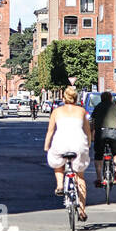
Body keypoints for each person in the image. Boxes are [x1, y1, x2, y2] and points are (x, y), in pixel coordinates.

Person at [44, 85, 91, 221]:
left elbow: (50, 131)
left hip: (61, 143)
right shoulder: (82, 111)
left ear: (63, 98)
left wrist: (47, 146)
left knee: (57, 162)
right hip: (79, 144)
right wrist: (88, 143)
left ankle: (59, 185)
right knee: (80, 176)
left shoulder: (56, 111)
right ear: (76, 98)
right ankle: (82, 210)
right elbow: (87, 131)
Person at [90, 90, 116, 187]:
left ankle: (98, 178)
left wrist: (92, 134)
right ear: (111, 98)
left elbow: (92, 122)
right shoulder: (115, 107)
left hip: (100, 132)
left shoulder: (98, 107)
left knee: (98, 155)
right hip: (114, 133)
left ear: (101, 98)